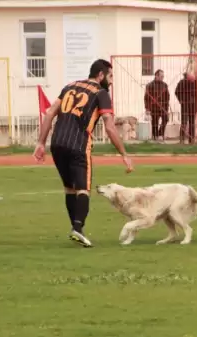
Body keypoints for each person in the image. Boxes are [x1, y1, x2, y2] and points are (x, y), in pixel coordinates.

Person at [33, 59, 134, 248]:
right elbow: (110, 127)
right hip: (78, 144)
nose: (112, 81)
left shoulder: (69, 86)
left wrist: (40, 143)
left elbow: (49, 114)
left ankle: (75, 228)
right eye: (110, 76)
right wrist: (124, 153)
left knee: (69, 189)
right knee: (83, 189)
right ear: (101, 75)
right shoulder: (101, 93)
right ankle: (77, 229)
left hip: (57, 143)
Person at [144, 69, 170, 141]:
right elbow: (146, 98)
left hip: (163, 106)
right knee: (155, 122)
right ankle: (155, 136)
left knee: (166, 119)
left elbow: (167, 97)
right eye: (161, 76)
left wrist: (167, 108)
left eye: (163, 77)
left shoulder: (165, 85)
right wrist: (147, 108)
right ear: (156, 76)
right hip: (154, 107)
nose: (162, 78)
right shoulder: (150, 85)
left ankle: (160, 134)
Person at [175, 72, 197, 144]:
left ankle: (192, 140)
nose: (193, 78)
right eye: (192, 77)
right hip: (185, 105)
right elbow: (176, 92)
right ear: (187, 77)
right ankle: (182, 139)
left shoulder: (195, 82)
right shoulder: (182, 82)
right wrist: (181, 100)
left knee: (192, 123)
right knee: (184, 122)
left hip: (193, 105)